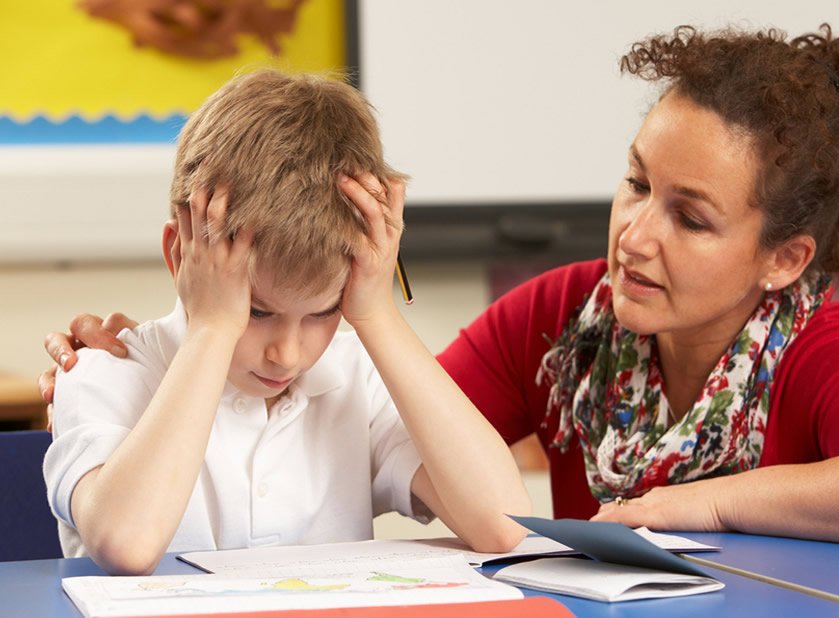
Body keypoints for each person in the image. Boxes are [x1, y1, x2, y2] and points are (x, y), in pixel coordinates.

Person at [41, 25, 839, 552]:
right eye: (634, 184)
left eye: (691, 217)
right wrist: (206, 335)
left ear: (783, 258)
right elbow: (421, 423)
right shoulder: (562, 318)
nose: (635, 234)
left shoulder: (814, 348)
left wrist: (712, 501)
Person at [40, 69, 529, 576]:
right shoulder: (101, 373)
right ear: (181, 254)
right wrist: (212, 329)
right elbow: (128, 544)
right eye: (256, 311)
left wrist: (376, 314)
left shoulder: (357, 378)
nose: (287, 354)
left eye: (323, 312)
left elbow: (503, 525)